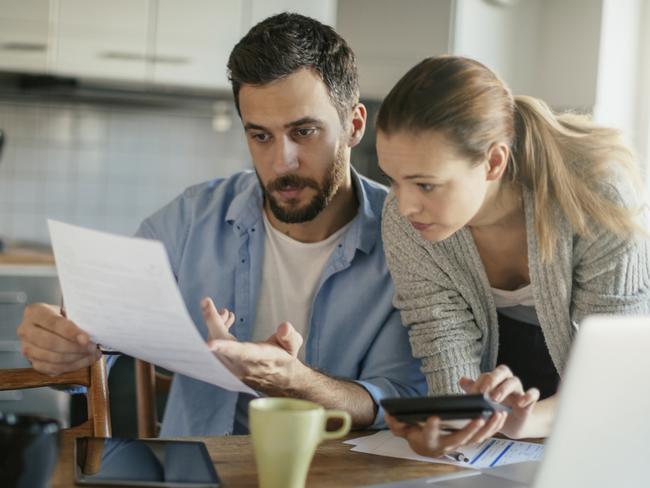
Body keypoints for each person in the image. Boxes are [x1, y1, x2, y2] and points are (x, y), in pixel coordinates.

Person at [16, 13, 426, 436]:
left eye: (303, 132)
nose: (281, 162)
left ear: (354, 125)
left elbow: (398, 398)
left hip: (336, 478)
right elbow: (99, 339)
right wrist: (63, 345)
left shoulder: (409, 239)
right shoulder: (193, 218)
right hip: (199, 473)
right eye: (260, 136)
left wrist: (295, 383)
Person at [375, 55, 650, 457]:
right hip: (518, 396)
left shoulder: (595, 194)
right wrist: (451, 422)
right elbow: (443, 344)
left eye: (426, 185)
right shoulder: (404, 223)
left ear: (494, 162)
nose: (405, 206)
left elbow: (612, 379)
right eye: (392, 180)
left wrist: (529, 420)